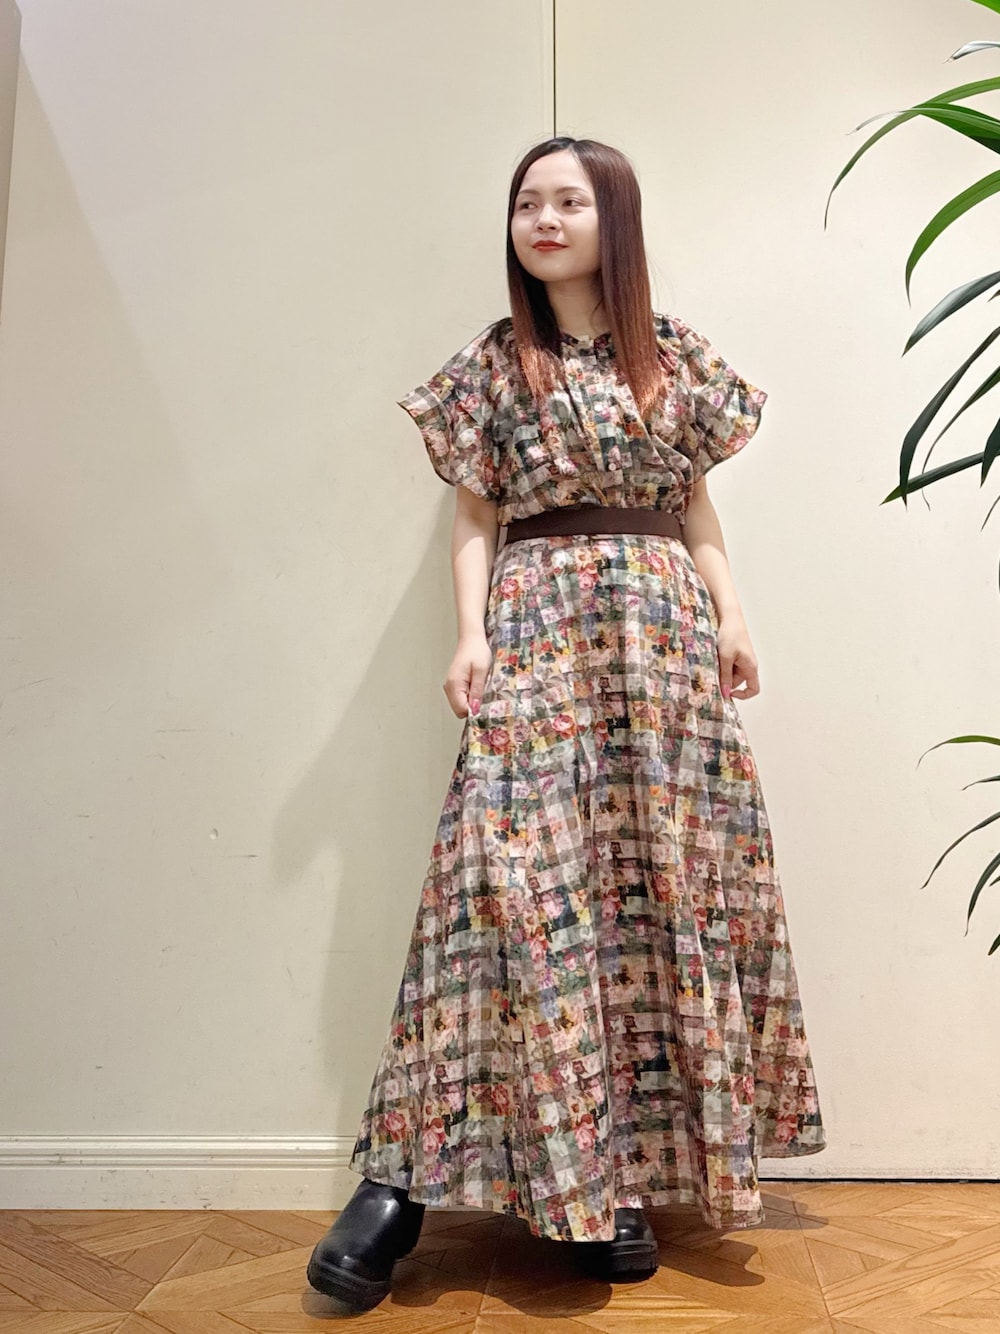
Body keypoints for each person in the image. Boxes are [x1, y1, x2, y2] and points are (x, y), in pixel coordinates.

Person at [307, 135, 826, 1315]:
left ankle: (617, 1172)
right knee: (495, 887)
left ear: (613, 220)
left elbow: (694, 502)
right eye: (526, 203)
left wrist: (732, 613)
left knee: (652, 885)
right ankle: (396, 1181)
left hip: (661, 633)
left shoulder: (672, 356)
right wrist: (470, 633)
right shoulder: (495, 363)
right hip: (538, 622)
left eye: (568, 201)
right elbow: (474, 515)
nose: (542, 220)